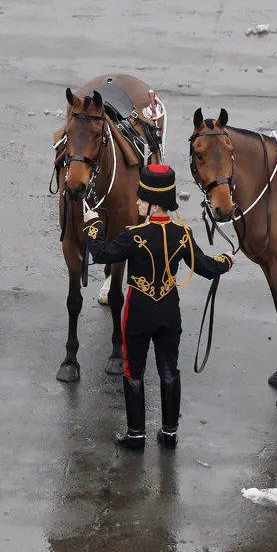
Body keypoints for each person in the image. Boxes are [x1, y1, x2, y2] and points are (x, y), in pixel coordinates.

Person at [82, 164, 236, 450]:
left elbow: (101, 253)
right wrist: (227, 259)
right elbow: (207, 267)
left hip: (139, 311)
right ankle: (169, 434)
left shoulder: (133, 235)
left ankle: (136, 435)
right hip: (168, 310)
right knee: (169, 369)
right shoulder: (182, 234)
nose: (137, 202)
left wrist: (93, 224)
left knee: (134, 370)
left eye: (141, 199)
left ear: (153, 205)